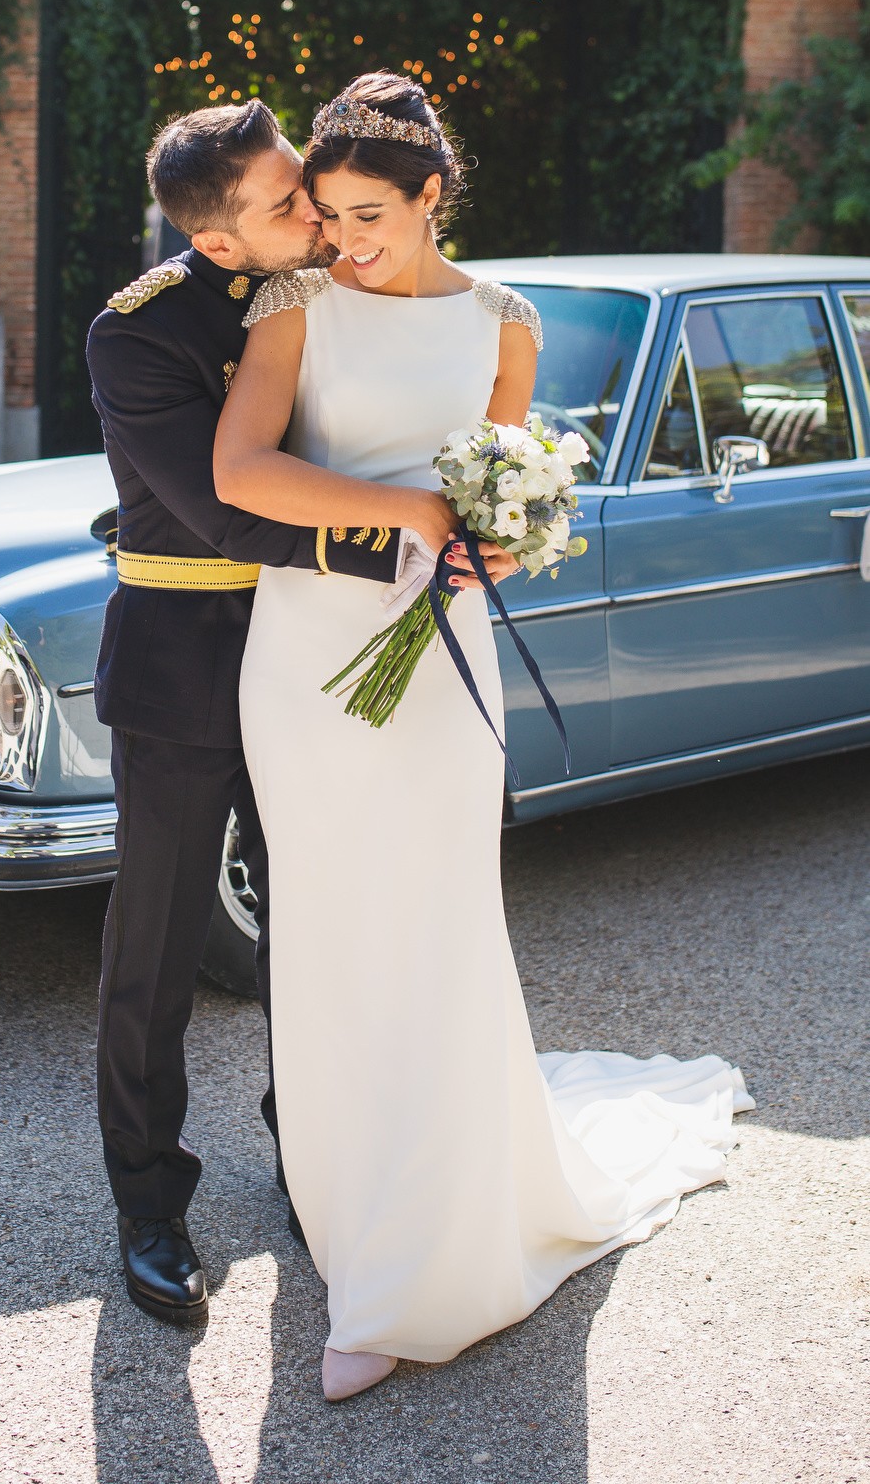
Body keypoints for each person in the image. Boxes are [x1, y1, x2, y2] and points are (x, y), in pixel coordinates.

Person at [214, 72, 753, 1402]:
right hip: (306, 659)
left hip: (442, 658)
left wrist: (503, 540)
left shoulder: (505, 323)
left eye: (370, 216)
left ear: (431, 197)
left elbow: (498, 486)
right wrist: (409, 510)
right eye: (330, 216)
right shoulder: (294, 304)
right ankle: (354, 1222)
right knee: (330, 937)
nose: (345, 241)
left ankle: (423, 1262)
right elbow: (240, 470)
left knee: (441, 925)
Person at [85, 98, 473, 1328]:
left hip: (309, 656)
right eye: (282, 202)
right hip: (184, 663)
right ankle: (150, 1204)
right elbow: (222, 510)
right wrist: (406, 541)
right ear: (215, 238)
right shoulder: (137, 331)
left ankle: (311, 1162)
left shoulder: (324, 287)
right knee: (156, 948)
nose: (311, 210)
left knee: (310, 928)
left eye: (302, 183)